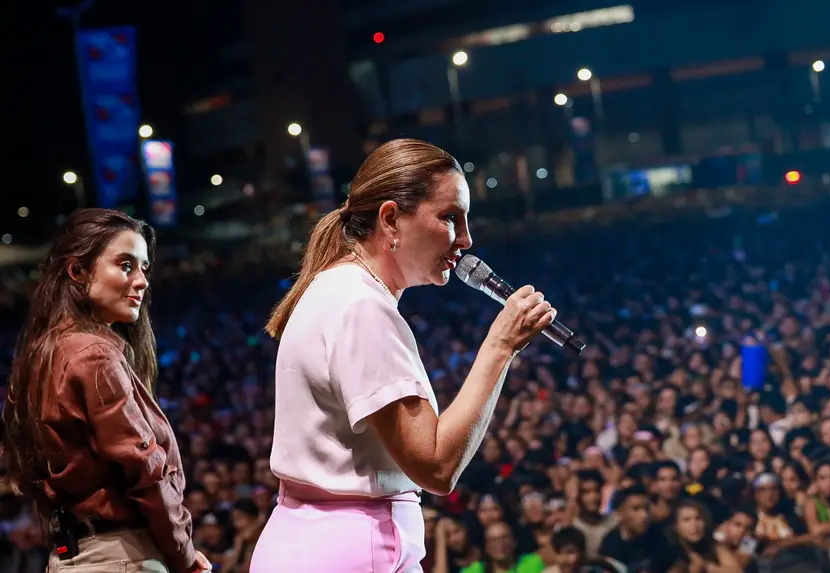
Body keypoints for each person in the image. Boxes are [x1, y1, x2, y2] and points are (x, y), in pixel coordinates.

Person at [251, 138, 557, 572]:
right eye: (450, 218)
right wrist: (500, 346)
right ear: (391, 219)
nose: (466, 239)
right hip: (353, 551)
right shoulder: (362, 307)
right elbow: (436, 467)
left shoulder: (334, 288)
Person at [1, 209, 210, 573]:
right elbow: (145, 471)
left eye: (144, 267)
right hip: (122, 557)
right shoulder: (94, 354)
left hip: (72, 557)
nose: (142, 281)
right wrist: (184, 555)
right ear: (77, 271)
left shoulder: (42, 354)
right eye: (125, 265)